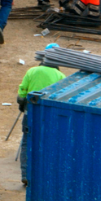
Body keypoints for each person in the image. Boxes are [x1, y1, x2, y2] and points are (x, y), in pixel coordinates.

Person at [17, 46, 66, 186]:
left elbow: (22, 93)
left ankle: (26, 174)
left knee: (27, 142)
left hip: (30, 113)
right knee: (48, 144)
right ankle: (44, 176)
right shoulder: (60, 76)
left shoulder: (32, 71)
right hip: (50, 116)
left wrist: (22, 103)